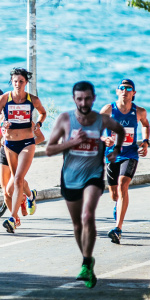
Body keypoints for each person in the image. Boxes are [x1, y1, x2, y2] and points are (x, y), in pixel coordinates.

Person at [45, 81, 125, 288]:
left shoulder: (101, 120)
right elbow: (49, 149)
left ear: (94, 98)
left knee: (87, 215)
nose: (83, 102)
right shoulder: (65, 119)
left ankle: (86, 263)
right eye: (79, 98)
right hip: (70, 177)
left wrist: (116, 150)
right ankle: (87, 260)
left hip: (93, 175)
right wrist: (72, 142)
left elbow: (120, 130)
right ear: (74, 99)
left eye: (87, 98)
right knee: (77, 224)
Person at [0, 68, 47, 233]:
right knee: (16, 181)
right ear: (11, 82)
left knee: (18, 180)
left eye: (21, 81)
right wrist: (2, 125)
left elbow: (43, 113)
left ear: (26, 82)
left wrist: (39, 124)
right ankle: (30, 196)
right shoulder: (4, 98)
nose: (18, 84)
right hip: (9, 144)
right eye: (15, 81)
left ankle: (13, 218)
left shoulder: (32, 100)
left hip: (27, 143)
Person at [100, 78, 150, 244]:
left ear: (133, 93)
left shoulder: (139, 111)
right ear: (117, 91)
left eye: (129, 89)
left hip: (130, 154)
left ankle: (118, 229)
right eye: (122, 88)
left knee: (123, 185)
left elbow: (145, 125)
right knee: (114, 194)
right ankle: (118, 206)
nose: (125, 91)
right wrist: (104, 138)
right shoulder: (108, 109)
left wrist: (146, 140)